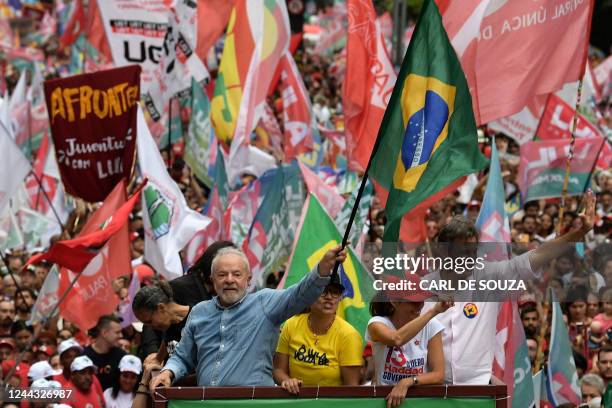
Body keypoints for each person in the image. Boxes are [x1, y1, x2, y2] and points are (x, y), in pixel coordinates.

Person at [422, 191, 598, 385]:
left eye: (472, 252)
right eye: (462, 252)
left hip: (478, 390)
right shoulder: (421, 289)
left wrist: (579, 232)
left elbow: (538, 255)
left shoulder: (490, 278)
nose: (469, 259)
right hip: (431, 391)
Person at [150, 245, 347, 389]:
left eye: (236, 274)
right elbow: (183, 357)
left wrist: (322, 269)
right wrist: (168, 372)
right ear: (212, 280)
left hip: (253, 403)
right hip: (208, 404)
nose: (229, 280)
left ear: (248, 279)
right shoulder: (199, 312)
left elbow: (300, 294)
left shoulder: (265, 303)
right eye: (222, 275)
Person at [138, 240, 235, 360]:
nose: (230, 279)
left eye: (236, 273)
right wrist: (154, 355)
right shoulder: (180, 287)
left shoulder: (227, 297)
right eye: (224, 272)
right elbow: (151, 315)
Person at [273, 275, 363, 391]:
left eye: (335, 292)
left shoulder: (349, 335)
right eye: (323, 291)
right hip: (295, 400)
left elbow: (351, 388)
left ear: (340, 298)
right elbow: (278, 370)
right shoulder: (291, 325)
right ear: (309, 296)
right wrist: (287, 381)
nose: (329, 297)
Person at [366, 291, 451, 408]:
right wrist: (434, 311)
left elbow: (438, 375)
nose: (420, 305)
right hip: (383, 399)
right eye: (414, 301)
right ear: (394, 301)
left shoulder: (432, 325)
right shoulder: (376, 323)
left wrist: (408, 381)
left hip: (419, 399)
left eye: (422, 300)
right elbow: (396, 339)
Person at [133, 280, 191, 361]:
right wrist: (156, 361)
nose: (151, 328)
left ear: (161, 308)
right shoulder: (169, 331)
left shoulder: (201, 316)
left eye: (149, 322)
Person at [83, 315, 126, 390]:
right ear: (104, 333)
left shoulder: (122, 356)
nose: (121, 336)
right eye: (117, 332)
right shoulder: (84, 357)